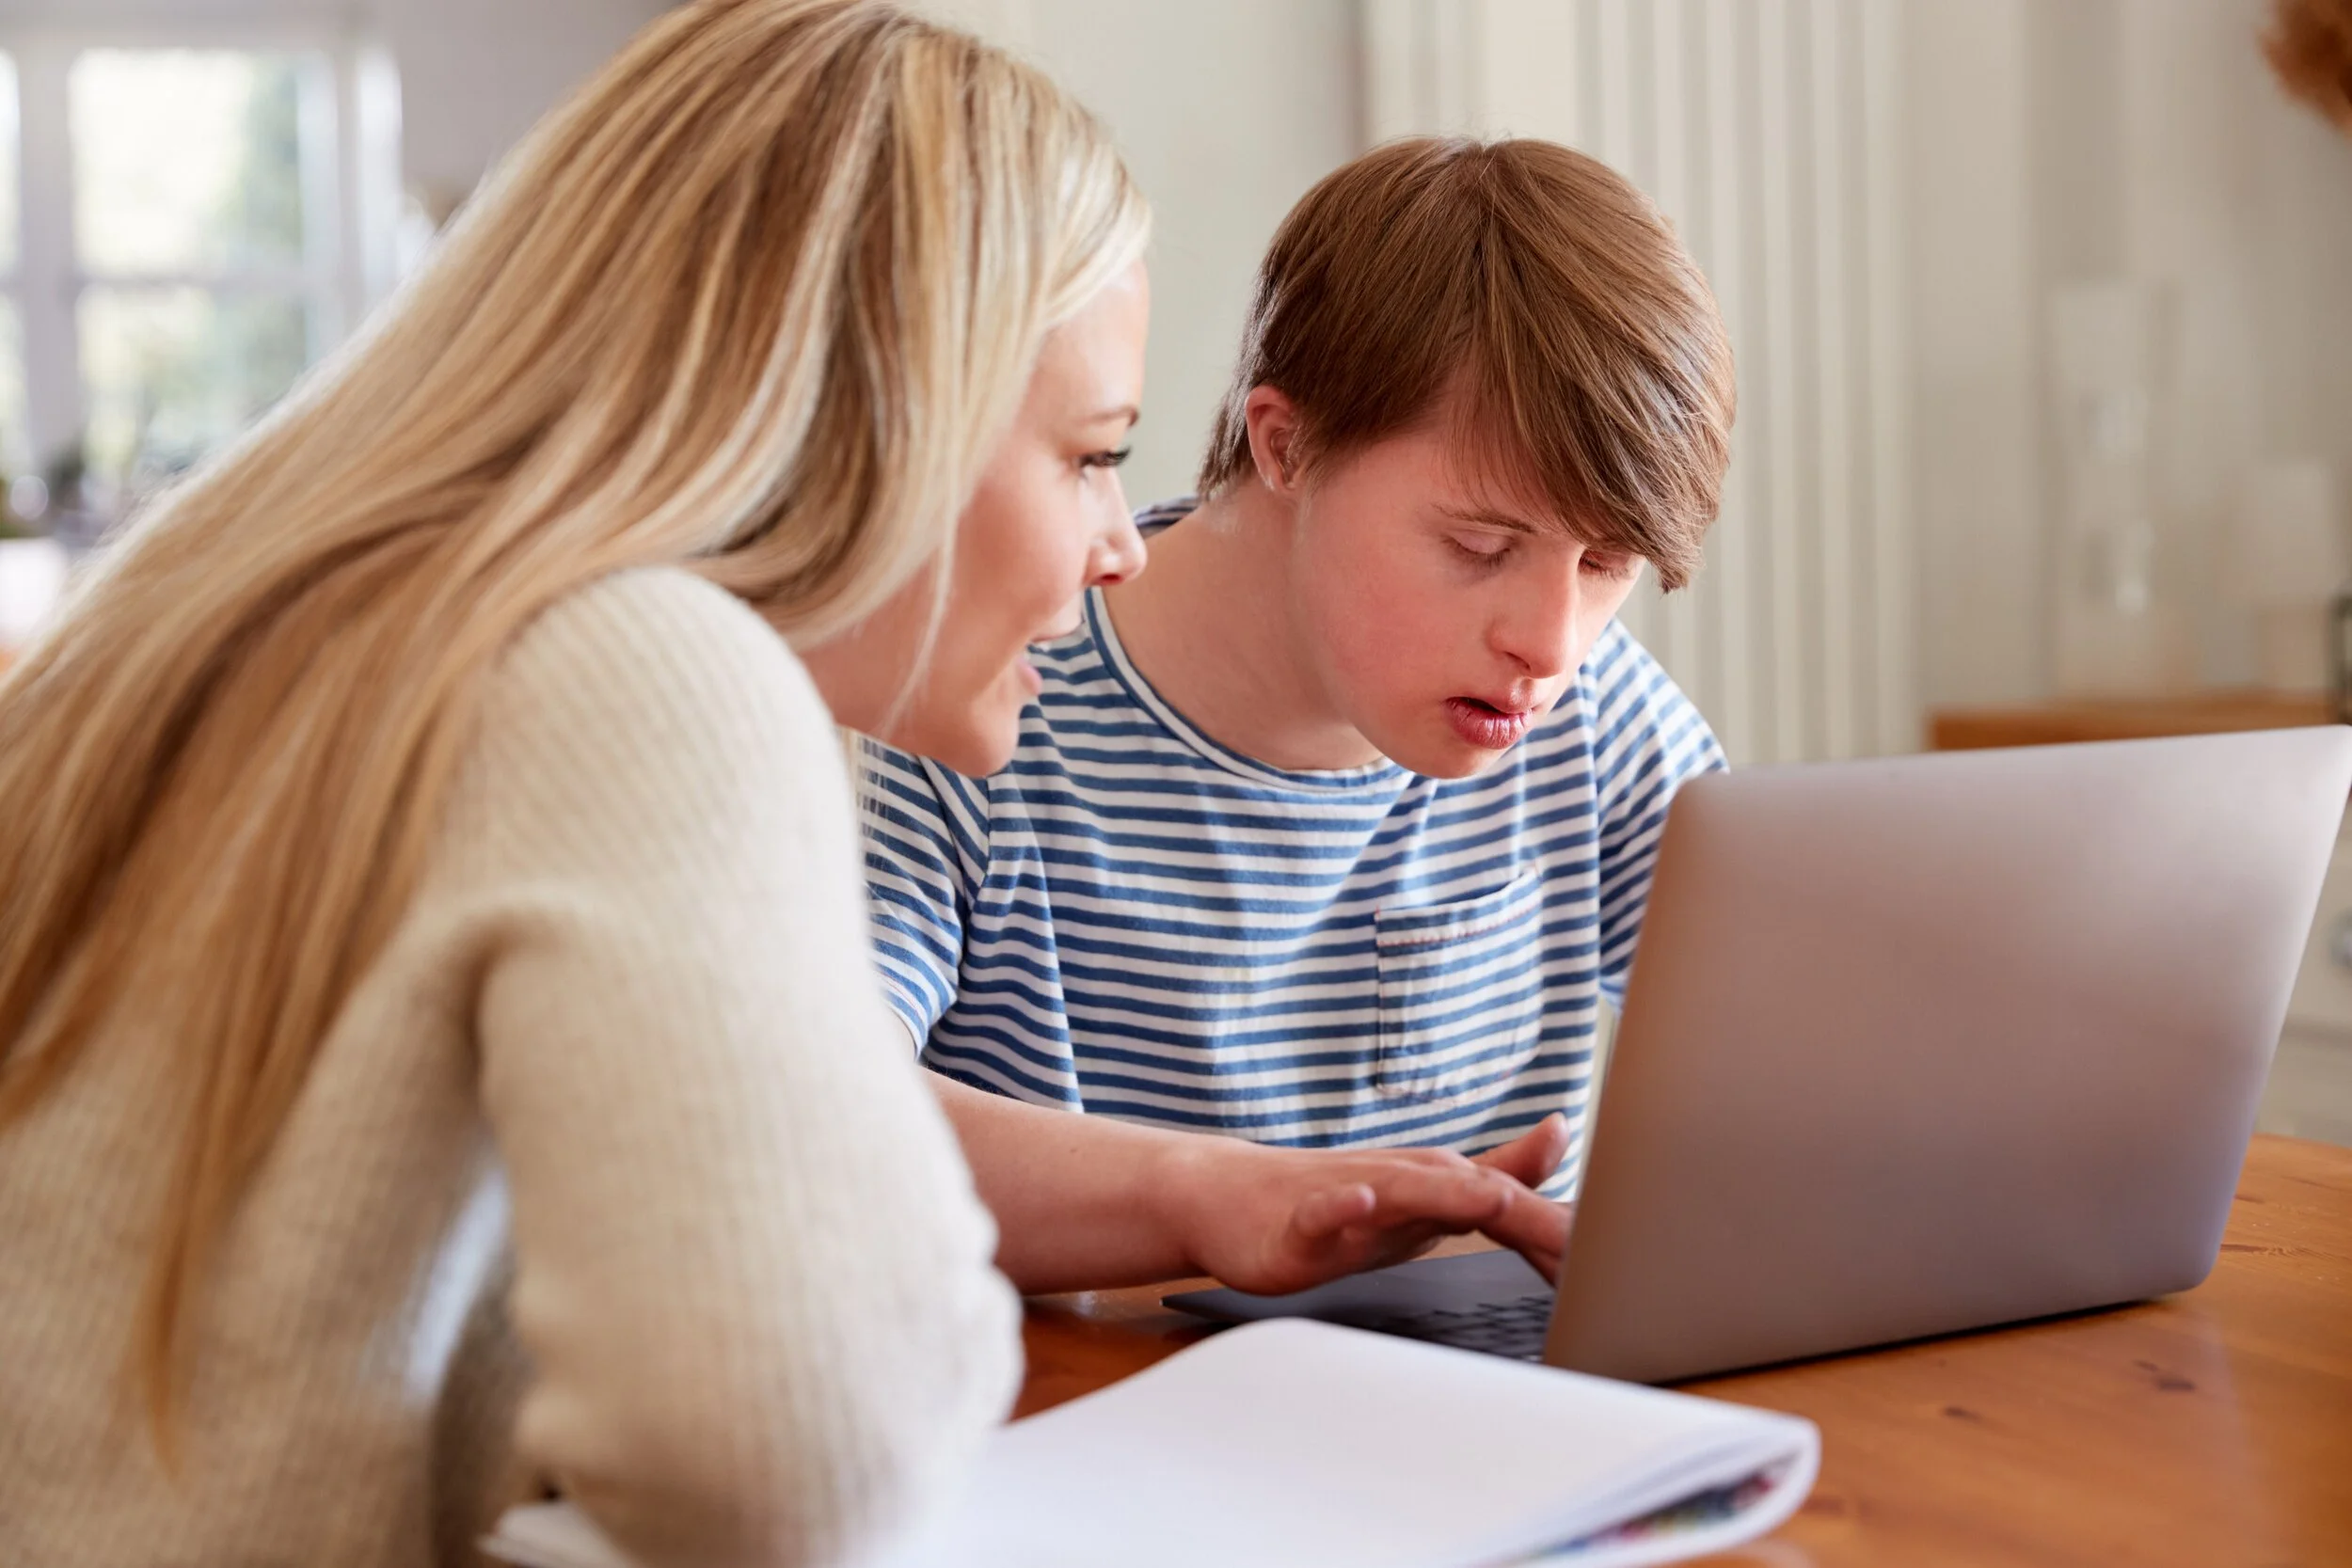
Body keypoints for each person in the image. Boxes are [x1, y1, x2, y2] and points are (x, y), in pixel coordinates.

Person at [0, 7, 1560, 1565]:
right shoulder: (636, 670)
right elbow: (803, 1446)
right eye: (1091, 454)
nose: (1120, 542)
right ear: (877, 413)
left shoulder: (271, 628)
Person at [860, 135, 1736, 1289]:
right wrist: (1205, 1196)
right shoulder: (978, 706)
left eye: (1606, 565)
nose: (1551, 641)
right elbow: (814, 1109)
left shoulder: (1597, 715)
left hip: (1496, 1383)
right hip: (1108, 1386)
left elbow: (1802, 1051)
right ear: (1287, 445)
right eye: (1482, 546)